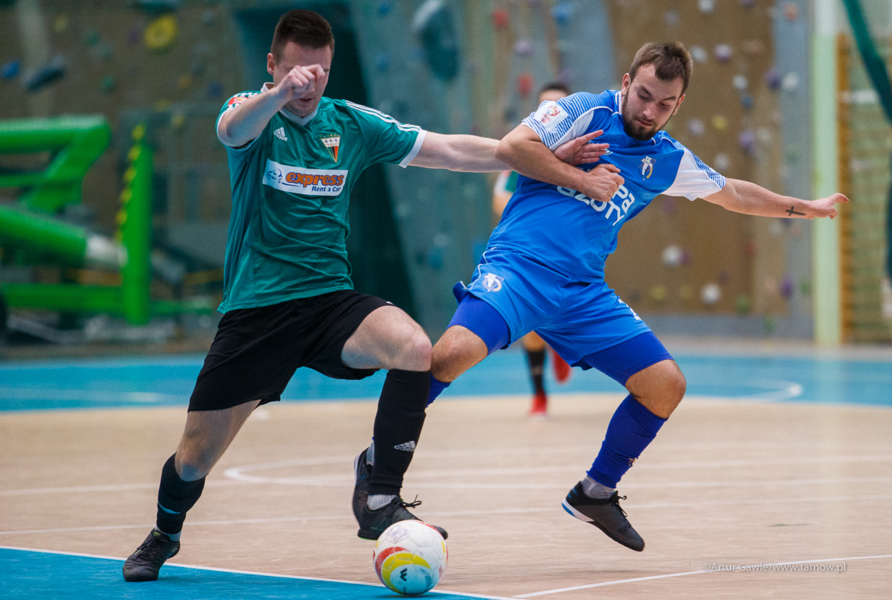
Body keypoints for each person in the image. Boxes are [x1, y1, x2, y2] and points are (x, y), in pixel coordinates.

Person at [121, 9, 603, 582]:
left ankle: (378, 496)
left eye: (320, 72)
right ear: (274, 66)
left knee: (412, 346)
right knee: (195, 456)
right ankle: (164, 533)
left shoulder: (349, 125)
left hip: (328, 303)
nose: (309, 83)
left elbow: (447, 149)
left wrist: (544, 164)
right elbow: (231, 132)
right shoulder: (253, 114)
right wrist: (278, 94)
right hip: (256, 313)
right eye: (297, 71)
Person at [426, 42, 848, 552]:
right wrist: (580, 176)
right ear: (626, 83)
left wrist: (807, 207)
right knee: (449, 355)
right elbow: (511, 149)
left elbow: (733, 193)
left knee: (665, 385)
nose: (649, 111)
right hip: (519, 268)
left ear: (678, 105)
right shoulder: (584, 109)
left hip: (582, 292)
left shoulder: (667, 159)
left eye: (664, 104)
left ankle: (596, 492)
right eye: (643, 95)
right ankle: (382, 468)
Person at [492, 82, 574, 417]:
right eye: (544, 106)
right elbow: (499, 198)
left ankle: (560, 343)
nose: (549, 112)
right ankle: (539, 394)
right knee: (531, 322)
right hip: (527, 249)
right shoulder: (522, 149)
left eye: (557, 105)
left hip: (570, 252)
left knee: (558, 316)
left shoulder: (587, 150)